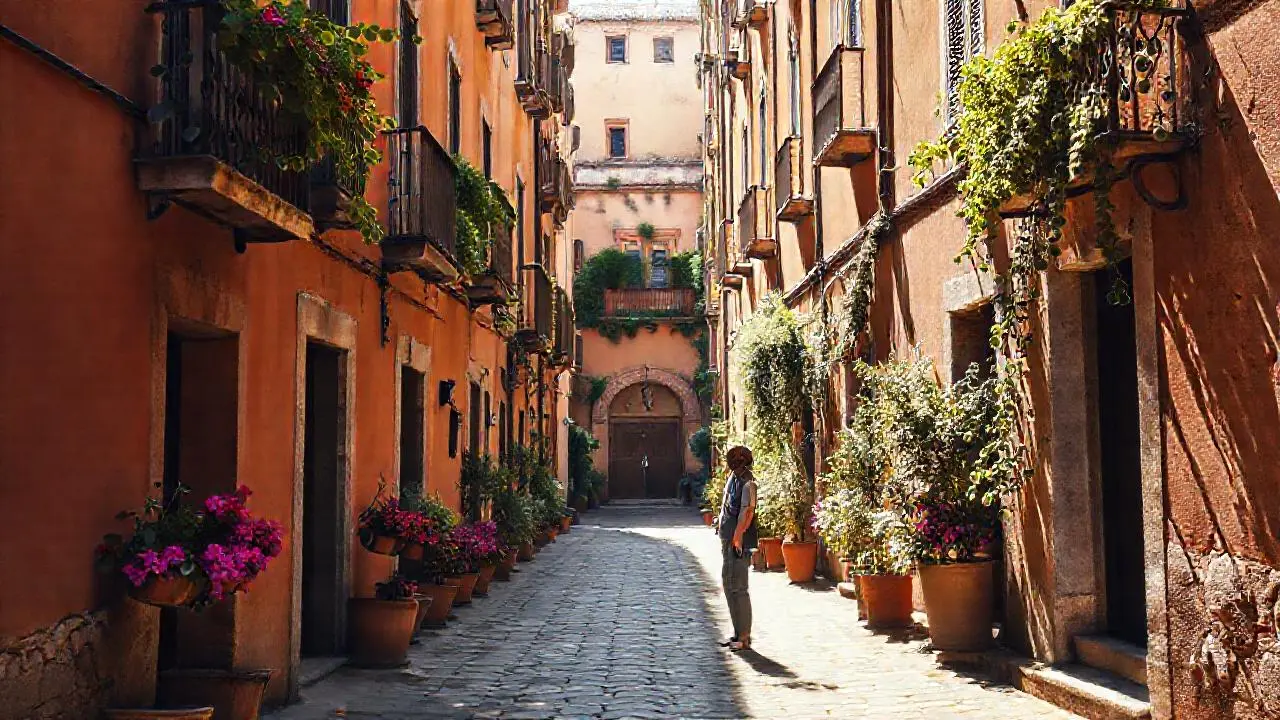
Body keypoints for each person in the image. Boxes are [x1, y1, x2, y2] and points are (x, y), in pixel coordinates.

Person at [717, 445, 758, 651]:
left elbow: (747, 512)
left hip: (737, 540)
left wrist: (738, 537)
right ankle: (736, 633)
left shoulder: (748, 482)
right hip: (728, 538)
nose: (736, 462)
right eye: (734, 458)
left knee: (739, 586)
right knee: (729, 583)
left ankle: (744, 636)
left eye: (740, 459)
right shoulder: (733, 479)